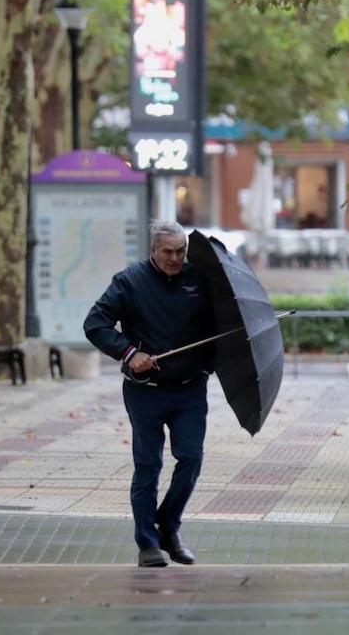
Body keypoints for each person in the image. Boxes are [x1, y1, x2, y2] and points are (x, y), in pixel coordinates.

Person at [84, 220, 216, 568]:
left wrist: (207, 364)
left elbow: (218, 327)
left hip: (190, 390)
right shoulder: (129, 281)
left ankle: (168, 527)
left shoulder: (198, 280)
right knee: (148, 465)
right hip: (146, 391)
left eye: (181, 251)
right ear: (153, 251)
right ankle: (147, 544)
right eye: (168, 252)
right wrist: (129, 353)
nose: (175, 258)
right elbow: (94, 324)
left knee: (191, 459)